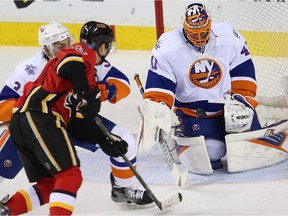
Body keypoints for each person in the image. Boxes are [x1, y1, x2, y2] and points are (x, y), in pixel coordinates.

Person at [0, 21, 153, 209]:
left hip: (74, 121)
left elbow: (122, 83)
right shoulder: (29, 68)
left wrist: (102, 92)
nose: (67, 47)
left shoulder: (81, 56)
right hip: (40, 121)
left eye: (68, 42)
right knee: (7, 165)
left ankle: (123, 188)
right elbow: (3, 104)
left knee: (124, 141)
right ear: (47, 49)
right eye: (60, 45)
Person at [138, 2, 262, 175]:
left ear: (210, 24)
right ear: (184, 27)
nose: (199, 38)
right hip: (194, 111)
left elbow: (243, 72)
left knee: (253, 149)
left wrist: (243, 101)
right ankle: (181, 133)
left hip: (229, 108)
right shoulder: (168, 46)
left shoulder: (228, 36)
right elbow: (160, 86)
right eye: (193, 33)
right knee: (214, 152)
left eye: (203, 32)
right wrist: (156, 109)